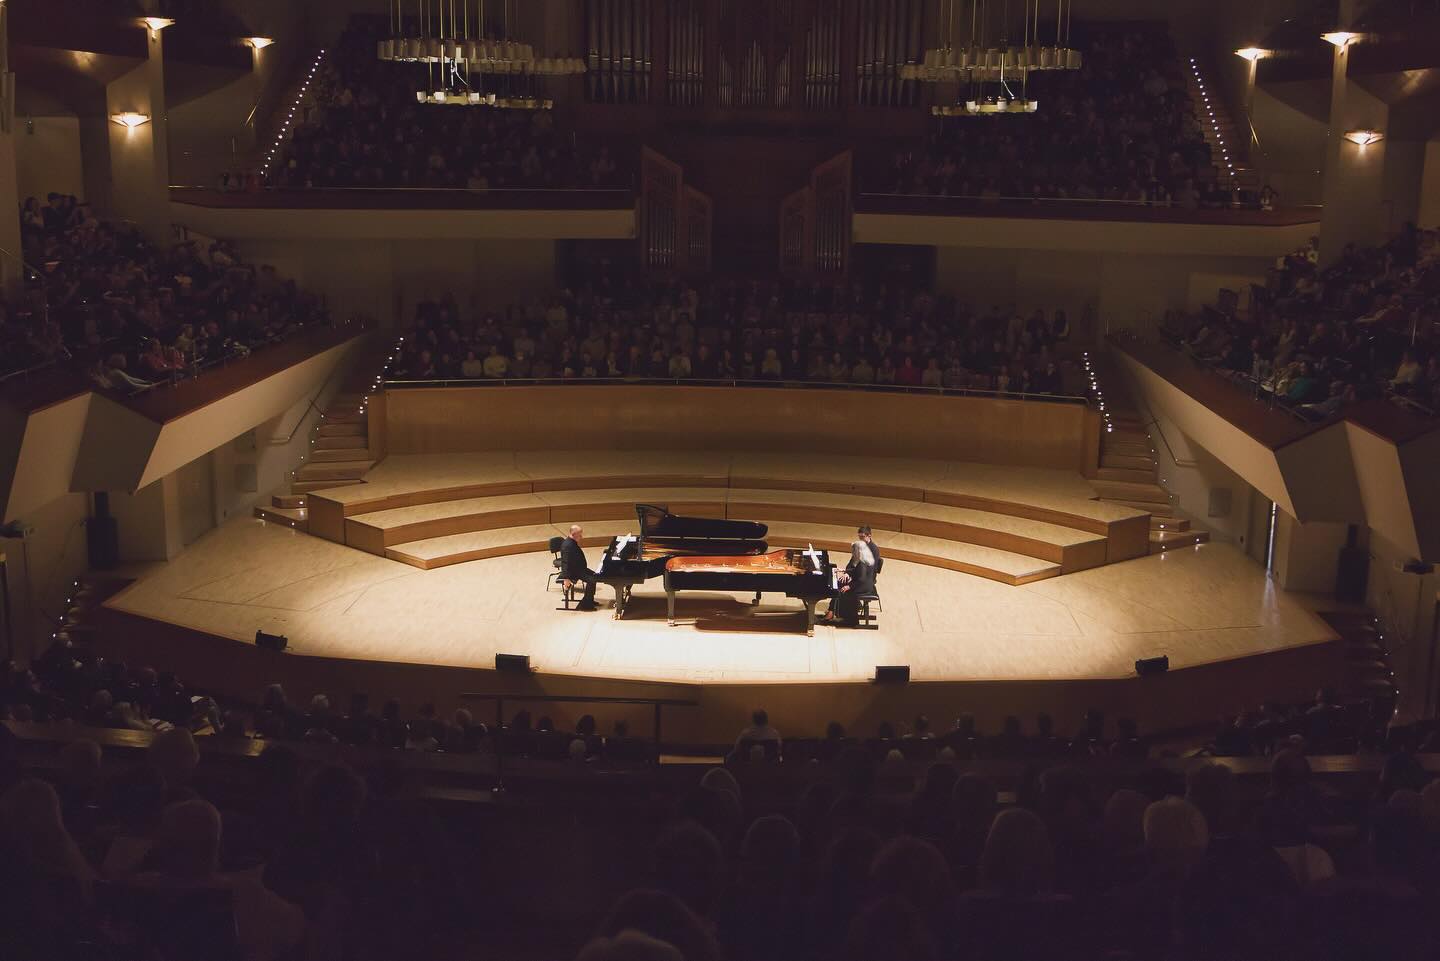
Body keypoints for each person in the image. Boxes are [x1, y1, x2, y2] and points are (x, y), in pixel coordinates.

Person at [823, 537, 877, 626]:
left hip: (864, 585)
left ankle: (849, 620)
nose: (852, 553)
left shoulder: (863, 562)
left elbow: (861, 579)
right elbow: (855, 570)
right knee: (840, 583)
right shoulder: (861, 557)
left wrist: (849, 586)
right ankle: (832, 611)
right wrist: (845, 571)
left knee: (844, 591)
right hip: (860, 581)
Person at [561, 523, 599, 611]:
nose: (581, 537)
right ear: (573, 535)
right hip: (574, 571)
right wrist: (566, 578)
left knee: (595, 576)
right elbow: (565, 562)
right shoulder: (567, 545)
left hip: (580, 568)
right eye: (579, 535)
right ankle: (587, 606)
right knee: (591, 580)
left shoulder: (572, 542)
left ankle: (589, 600)